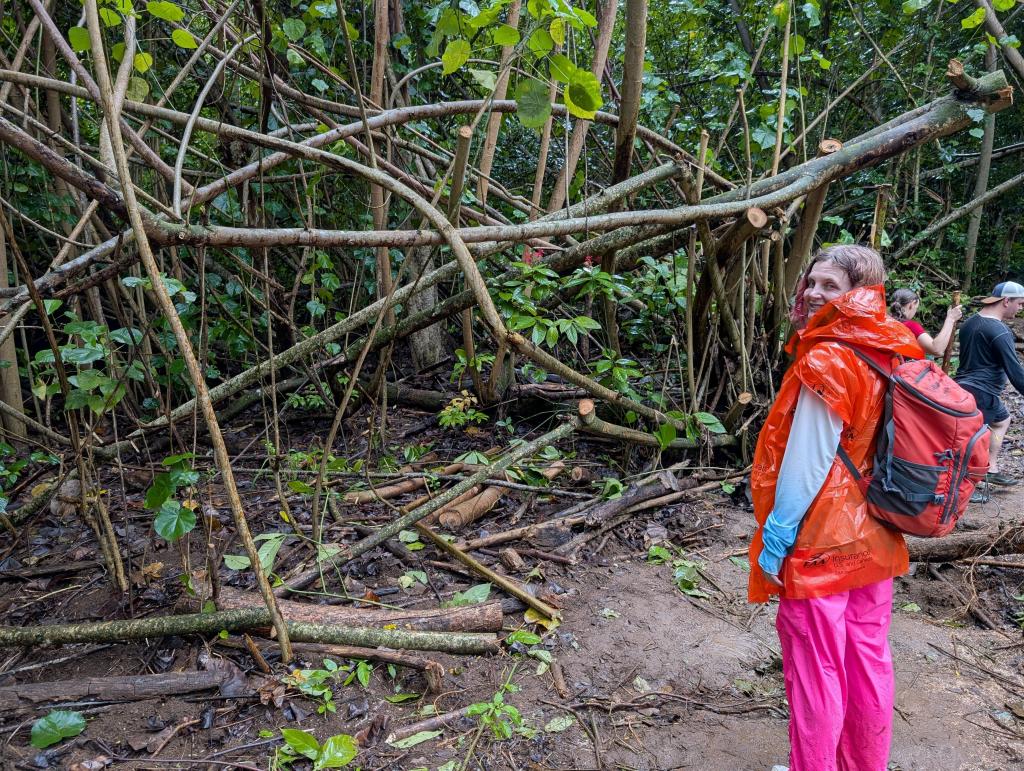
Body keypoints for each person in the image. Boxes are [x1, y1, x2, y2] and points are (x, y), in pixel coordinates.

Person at [748, 244, 923, 771]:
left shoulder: (826, 356)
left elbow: (808, 458)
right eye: (813, 283)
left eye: (831, 286)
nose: (815, 294)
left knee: (815, 664)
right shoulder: (891, 346)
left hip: (823, 536)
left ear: (861, 294)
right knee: (868, 656)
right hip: (879, 526)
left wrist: (778, 532)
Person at [953, 280, 1024, 488]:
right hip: (982, 392)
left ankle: (990, 468)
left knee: (1002, 421)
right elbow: (1016, 372)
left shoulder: (969, 323)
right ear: (1006, 301)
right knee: (971, 441)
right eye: (1019, 304)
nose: (1020, 309)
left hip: (963, 388)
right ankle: (965, 486)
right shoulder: (999, 331)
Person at [889, 288, 962, 356]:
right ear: (912, 304)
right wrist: (950, 319)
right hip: (904, 369)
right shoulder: (910, 326)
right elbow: (936, 349)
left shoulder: (885, 322)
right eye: (916, 308)